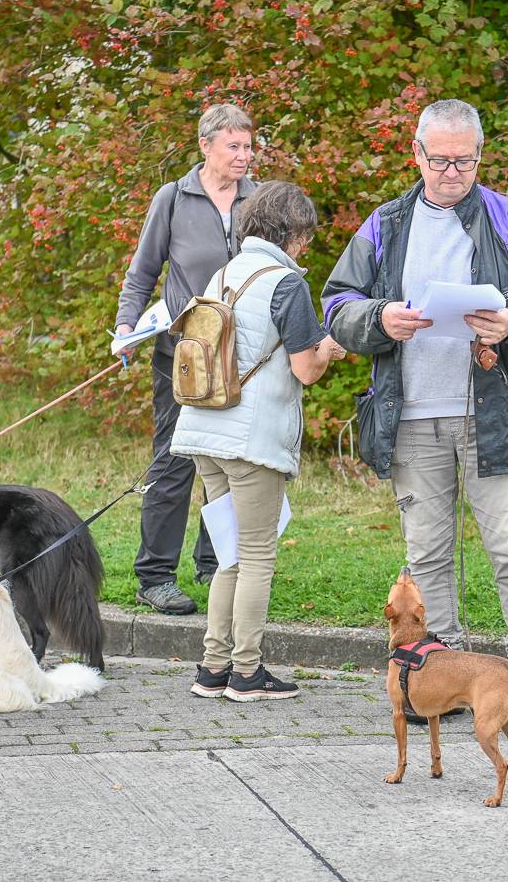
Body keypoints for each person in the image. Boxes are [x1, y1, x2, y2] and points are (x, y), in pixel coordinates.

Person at [321, 99, 508, 734]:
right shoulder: (385, 224)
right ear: (417, 155)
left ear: (480, 157)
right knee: (426, 553)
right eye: (440, 160)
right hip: (410, 414)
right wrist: (377, 319)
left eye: (464, 160)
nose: (452, 172)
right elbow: (336, 302)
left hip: (493, 411)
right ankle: (444, 677)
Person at [175, 181, 347, 701]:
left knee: (230, 553)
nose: (305, 248)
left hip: (206, 429)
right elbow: (306, 369)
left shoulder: (224, 272)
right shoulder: (286, 283)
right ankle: (247, 672)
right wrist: (333, 347)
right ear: (289, 231)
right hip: (250, 439)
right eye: (305, 237)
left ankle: (213, 667)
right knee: (255, 555)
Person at [115, 104, 257, 615]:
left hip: (243, 355)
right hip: (183, 355)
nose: (244, 156)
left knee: (230, 460)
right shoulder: (173, 199)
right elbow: (141, 274)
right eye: (233, 147)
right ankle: (154, 575)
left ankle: (213, 560)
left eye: (248, 146)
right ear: (206, 147)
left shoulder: (258, 199)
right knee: (174, 463)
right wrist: (127, 328)